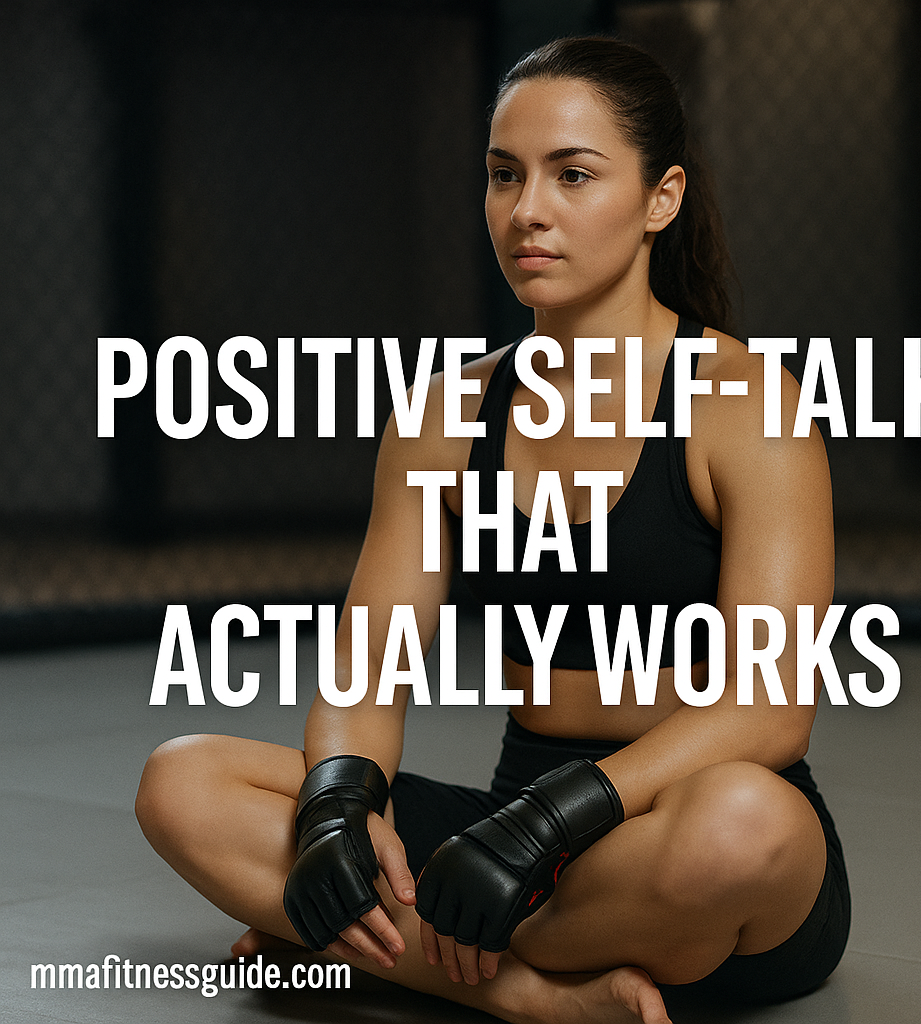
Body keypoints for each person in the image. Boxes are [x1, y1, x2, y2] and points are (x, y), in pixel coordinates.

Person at [136, 37, 849, 1024]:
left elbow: (769, 712)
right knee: (183, 778)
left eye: (573, 174)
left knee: (741, 825)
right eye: (504, 175)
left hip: (670, 834)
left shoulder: (746, 405)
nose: (527, 211)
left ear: (661, 198)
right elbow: (367, 675)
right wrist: (338, 803)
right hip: (503, 831)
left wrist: (550, 824)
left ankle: (367, 945)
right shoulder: (442, 415)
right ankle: (530, 994)